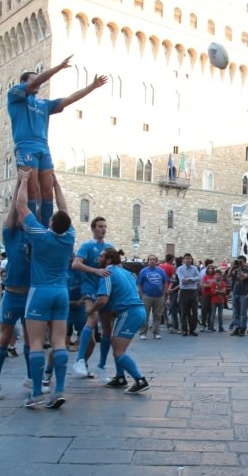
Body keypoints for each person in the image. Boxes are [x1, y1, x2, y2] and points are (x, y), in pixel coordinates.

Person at [8, 55, 107, 224]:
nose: (39, 83)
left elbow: (69, 99)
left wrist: (92, 86)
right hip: (26, 146)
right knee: (31, 190)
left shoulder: (44, 104)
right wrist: (59, 67)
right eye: (35, 79)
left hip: (43, 147)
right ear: (24, 82)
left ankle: (47, 227)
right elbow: (34, 83)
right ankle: (31, 230)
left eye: (38, 80)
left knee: (48, 191)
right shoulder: (15, 94)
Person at [17, 168, 75, 408]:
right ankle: (59, 390)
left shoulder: (41, 235)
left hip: (40, 291)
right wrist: (57, 186)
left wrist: (23, 181)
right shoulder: (69, 236)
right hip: (61, 293)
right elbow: (64, 210)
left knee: (37, 343)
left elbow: (22, 208)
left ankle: (37, 394)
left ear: (51, 222)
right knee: (60, 341)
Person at [0, 188, 33, 403]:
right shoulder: (12, 236)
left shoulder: (37, 236)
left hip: (31, 295)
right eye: (20, 215)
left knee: (32, 341)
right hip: (12, 294)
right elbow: (14, 207)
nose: (22, 217)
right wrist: (19, 184)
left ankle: (32, 378)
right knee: (3, 338)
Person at [94, 248, 150, 393]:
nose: (97, 259)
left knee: (119, 351)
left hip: (128, 313)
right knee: (116, 344)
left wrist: (90, 309)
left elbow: (102, 300)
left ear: (108, 260)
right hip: (138, 310)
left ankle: (140, 380)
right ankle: (120, 377)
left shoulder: (107, 274)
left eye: (100, 256)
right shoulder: (127, 273)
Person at [70, 216, 115, 379]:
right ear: (93, 228)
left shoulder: (110, 247)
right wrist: (95, 270)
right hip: (89, 288)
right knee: (92, 320)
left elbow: (115, 266)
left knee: (107, 328)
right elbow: (76, 264)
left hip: (104, 289)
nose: (103, 229)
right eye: (100, 226)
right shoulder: (87, 246)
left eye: (105, 226)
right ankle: (80, 359)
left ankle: (101, 366)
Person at [137, 254, 169, 339]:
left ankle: (156, 333)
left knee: (157, 316)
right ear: (148, 261)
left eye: (154, 259)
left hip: (159, 296)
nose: (152, 261)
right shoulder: (143, 271)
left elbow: (165, 282)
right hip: (147, 296)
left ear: (156, 261)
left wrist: (164, 293)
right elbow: (139, 284)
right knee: (145, 315)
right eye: (150, 259)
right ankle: (143, 333)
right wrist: (141, 294)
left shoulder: (161, 271)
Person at [176, 253, 202, 336]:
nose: (188, 260)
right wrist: (192, 279)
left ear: (191, 259)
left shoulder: (194, 268)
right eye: (186, 258)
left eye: (189, 258)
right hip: (184, 291)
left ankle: (192, 329)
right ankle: (184, 330)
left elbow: (199, 278)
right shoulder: (180, 269)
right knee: (184, 311)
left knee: (194, 312)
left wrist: (190, 278)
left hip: (193, 291)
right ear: (184, 260)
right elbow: (182, 280)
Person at [228, 257, 248, 336]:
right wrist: (232, 266)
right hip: (235, 292)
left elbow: (244, 277)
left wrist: (239, 269)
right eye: (239, 262)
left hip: (243, 293)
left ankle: (242, 328)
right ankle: (237, 327)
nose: (240, 263)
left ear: (244, 262)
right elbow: (229, 275)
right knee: (235, 312)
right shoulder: (235, 270)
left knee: (243, 313)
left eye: (241, 262)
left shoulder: (247, 270)